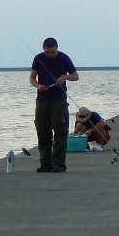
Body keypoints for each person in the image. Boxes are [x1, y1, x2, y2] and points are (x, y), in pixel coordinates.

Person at [30, 37, 79, 172]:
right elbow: (32, 78)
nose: (50, 54)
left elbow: (75, 75)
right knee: (42, 132)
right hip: (42, 101)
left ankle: (59, 164)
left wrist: (65, 77)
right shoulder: (38, 59)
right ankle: (45, 163)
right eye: (47, 52)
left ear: (57, 48)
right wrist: (38, 86)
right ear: (43, 49)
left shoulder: (64, 58)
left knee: (60, 132)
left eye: (52, 52)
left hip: (59, 100)